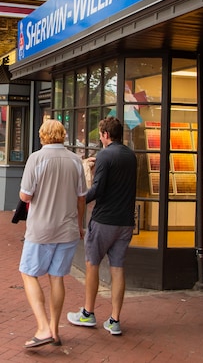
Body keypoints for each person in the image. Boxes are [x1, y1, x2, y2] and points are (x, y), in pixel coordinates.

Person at [18, 120, 86, 349]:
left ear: (43, 136)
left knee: (28, 273)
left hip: (41, 229)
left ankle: (43, 327)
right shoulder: (76, 161)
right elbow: (81, 197)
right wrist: (80, 225)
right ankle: (55, 330)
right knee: (57, 278)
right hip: (67, 229)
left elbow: (25, 196)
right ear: (63, 135)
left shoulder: (36, 158)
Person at [68, 116, 137, 336]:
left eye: (100, 135)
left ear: (106, 135)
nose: (100, 138)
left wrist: (79, 200)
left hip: (104, 220)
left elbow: (97, 190)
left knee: (92, 264)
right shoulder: (131, 156)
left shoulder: (105, 155)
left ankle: (88, 313)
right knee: (118, 269)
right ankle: (115, 319)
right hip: (125, 221)